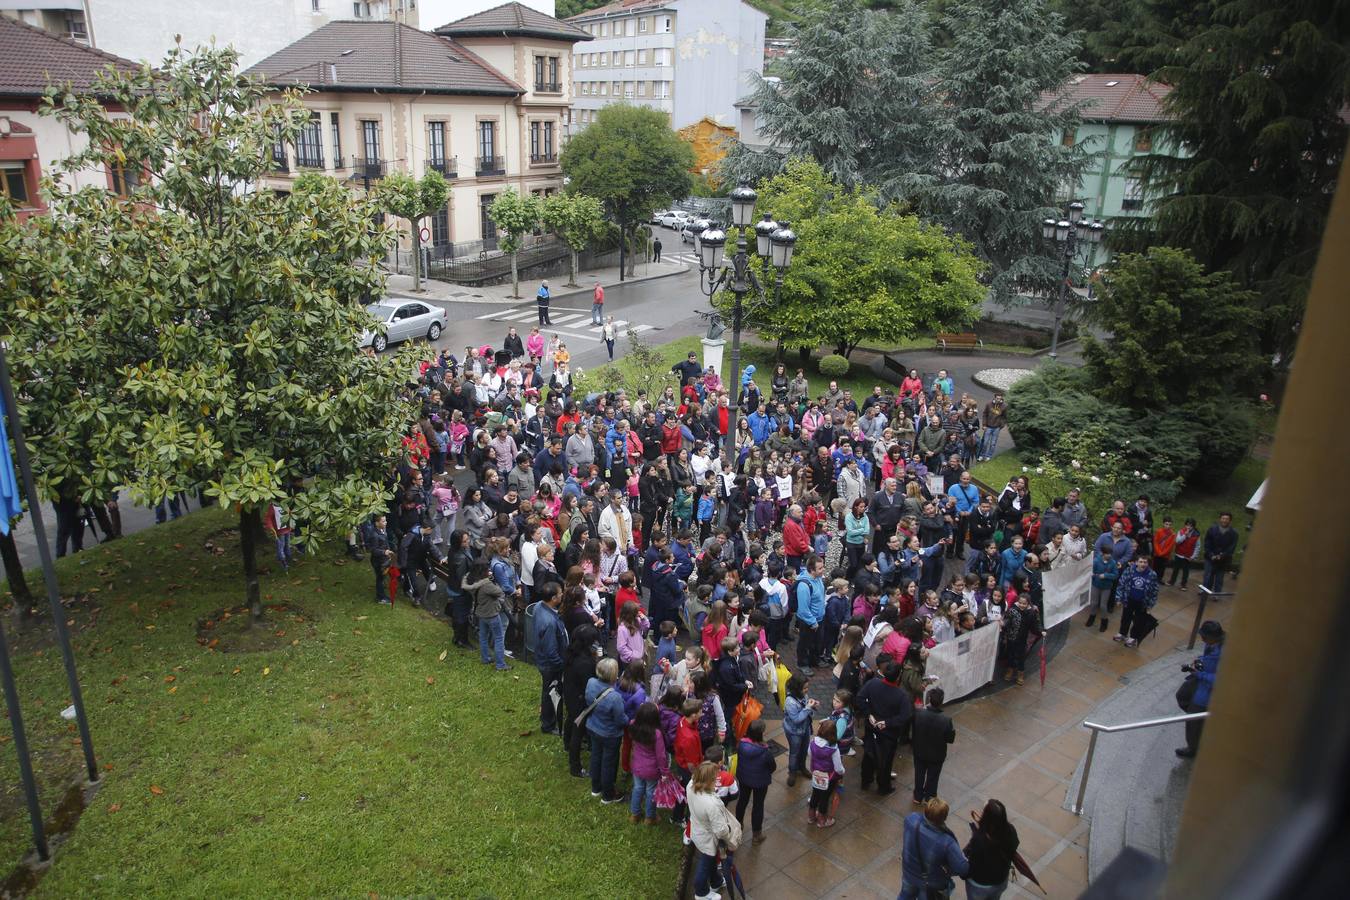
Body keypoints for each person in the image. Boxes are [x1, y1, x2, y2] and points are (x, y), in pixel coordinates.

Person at [857, 661, 913, 796]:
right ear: (898, 677)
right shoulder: (901, 696)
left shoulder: (873, 684)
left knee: (868, 755)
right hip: (888, 734)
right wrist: (887, 723)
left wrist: (868, 714)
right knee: (885, 761)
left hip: (871, 728)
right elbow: (905, 716)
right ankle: (883, 787)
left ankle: (866, 781)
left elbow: (860, 698)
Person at [688, 761, 741, 900]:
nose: (716, 781)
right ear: (708, 781)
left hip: (697, 830)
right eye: (714, 778)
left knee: (711, 860)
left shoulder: (690, 785)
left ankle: (716, 881)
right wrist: (729, 837)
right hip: (708, 838)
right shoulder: (711, 804)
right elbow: (721, 829)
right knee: (706, 864)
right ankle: (701, 893)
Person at [899, 798, 970, 900]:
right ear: (944, 817)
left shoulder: (911, 820)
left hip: (908, 873)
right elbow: (962, 869)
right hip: (931, 883)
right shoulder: (946, 842)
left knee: (905, 896)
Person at [1177, 620, 1225, 758]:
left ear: (1213, 637)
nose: (1202, 639)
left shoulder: (1224, 653)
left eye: (1204, 637)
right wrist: (1199, 661)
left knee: (1193, 717)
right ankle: (1201, 724)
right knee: (1182, 695)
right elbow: (1207, 658)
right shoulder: (1213, 644)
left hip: (1208, 687)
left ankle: (1193, 747)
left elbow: (1221, 679)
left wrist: (1200, 674)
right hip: (1200, 679)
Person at [584, 657, 628, 803]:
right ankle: (608, 795)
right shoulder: (615, 697)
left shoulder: (591, 682)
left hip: (593, 727)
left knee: (596, 756)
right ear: (614, 675)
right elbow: (621, 720)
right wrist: (629, 719)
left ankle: (596, 787)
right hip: (610, 734)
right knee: (609, 763)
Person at [562, 625, 600, 777]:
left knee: (571, 719)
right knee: (578, 730)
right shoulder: (585, 663)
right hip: (579, 699)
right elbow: (590, 684)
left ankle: (566, 742)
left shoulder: (571, 652)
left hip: (569, 693)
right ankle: (575, 767)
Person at [963, 799, 1020, 899]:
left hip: (980, 885)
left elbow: (973, 864)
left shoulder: (979, 840)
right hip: (1000, 880)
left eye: (983, 810)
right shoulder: (1010, 830)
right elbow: (1014, 845)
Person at [532, 582, 568, 735]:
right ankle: (548, 724)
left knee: (548, 690)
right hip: (550, 665)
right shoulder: (550, 622)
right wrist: (561, 665)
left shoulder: (539, 606)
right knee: (551, 693)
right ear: (553, 598)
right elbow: (551, 651)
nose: (562, 595)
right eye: (560, 594)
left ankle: (548, 718)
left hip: (543, 659)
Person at [734, 719, 776, 843]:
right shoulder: (765, 752)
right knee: (758, 806)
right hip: (760, 782)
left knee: (742, 801)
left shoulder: (741, 744)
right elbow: (773, 767)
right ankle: (756, 834)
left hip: (744, 778)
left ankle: (738, 824)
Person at [911, 687, 956, 804]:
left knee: (919, 774)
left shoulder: (918, 714)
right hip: (936, 755)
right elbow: (950, 739)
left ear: (929, 699)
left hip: (920, 752)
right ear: (941, 701)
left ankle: (917, 796)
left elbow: (914, 732)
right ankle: (929, 797)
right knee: (933, 777)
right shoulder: (946, 720)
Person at [628, 701, 669, 825]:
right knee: (651, 791)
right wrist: (664, 772)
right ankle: (650, 817)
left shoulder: (633, 724)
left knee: (637, 788)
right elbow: (661, 756)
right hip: (652, 769)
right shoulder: (656, 734)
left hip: (637, 765)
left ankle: (635, 815)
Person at [466, 561, 511, 671]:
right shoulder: (487, 585)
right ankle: (500, 664)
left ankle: (485, 658)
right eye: (487, 570)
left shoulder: (472, 581)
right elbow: (500, 591)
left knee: (483, 636)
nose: (489, 571)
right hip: (492, 614)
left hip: (481, 613)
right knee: (499, 638)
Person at [1113, 555, 1159, 647]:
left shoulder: (1152, 574)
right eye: (1141, 562)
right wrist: (1119, 598)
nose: (1143, 564)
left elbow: (1155, 591)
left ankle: (1133, 637)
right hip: (1129, 599)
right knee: (1125, 617)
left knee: (1138, 620)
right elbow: (1121, 583)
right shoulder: (1129, 570)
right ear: (1136, 562)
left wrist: (1150, 605)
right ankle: (1122, 633)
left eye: (1145, 562)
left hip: (1142, 602)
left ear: (1148, 564)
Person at [807, 720, 845, 827]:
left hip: (816, 773)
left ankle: (811, 817)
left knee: (815, 794)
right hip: (829, 777)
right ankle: (821, 821)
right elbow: (838, 768)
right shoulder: (834, 749)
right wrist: (843, 772)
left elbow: (809, 754)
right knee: (824, 798)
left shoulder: (813, 742)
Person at [782, 674, 817, 786]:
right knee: (794, 753)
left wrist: (812, 705)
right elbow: (796, 719)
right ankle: (792, 772)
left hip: (805, 728)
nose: (807, 690)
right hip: (794, 732)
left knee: (804, 750)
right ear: (797, 688)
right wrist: (808, 708)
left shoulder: (803, 695)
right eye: (804, 688)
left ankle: (802, 767)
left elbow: (805, 705)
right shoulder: (790, 702)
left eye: (807, 687)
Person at [1202, 512, 1238, 593]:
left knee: (1219, 577)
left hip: (1223, 560)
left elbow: (1232, 547)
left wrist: (1222, 556)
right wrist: (1211, 555)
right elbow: (1207, 543)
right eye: (1223, 518)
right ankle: (1205, 591)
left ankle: (1217, 593)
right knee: (1208, 576)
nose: (1224, 520)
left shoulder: (1234, 533)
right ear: (1220, 519)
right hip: (1210, 557)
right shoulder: (1212, 529)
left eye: (1227, 519)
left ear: (1230, 521)